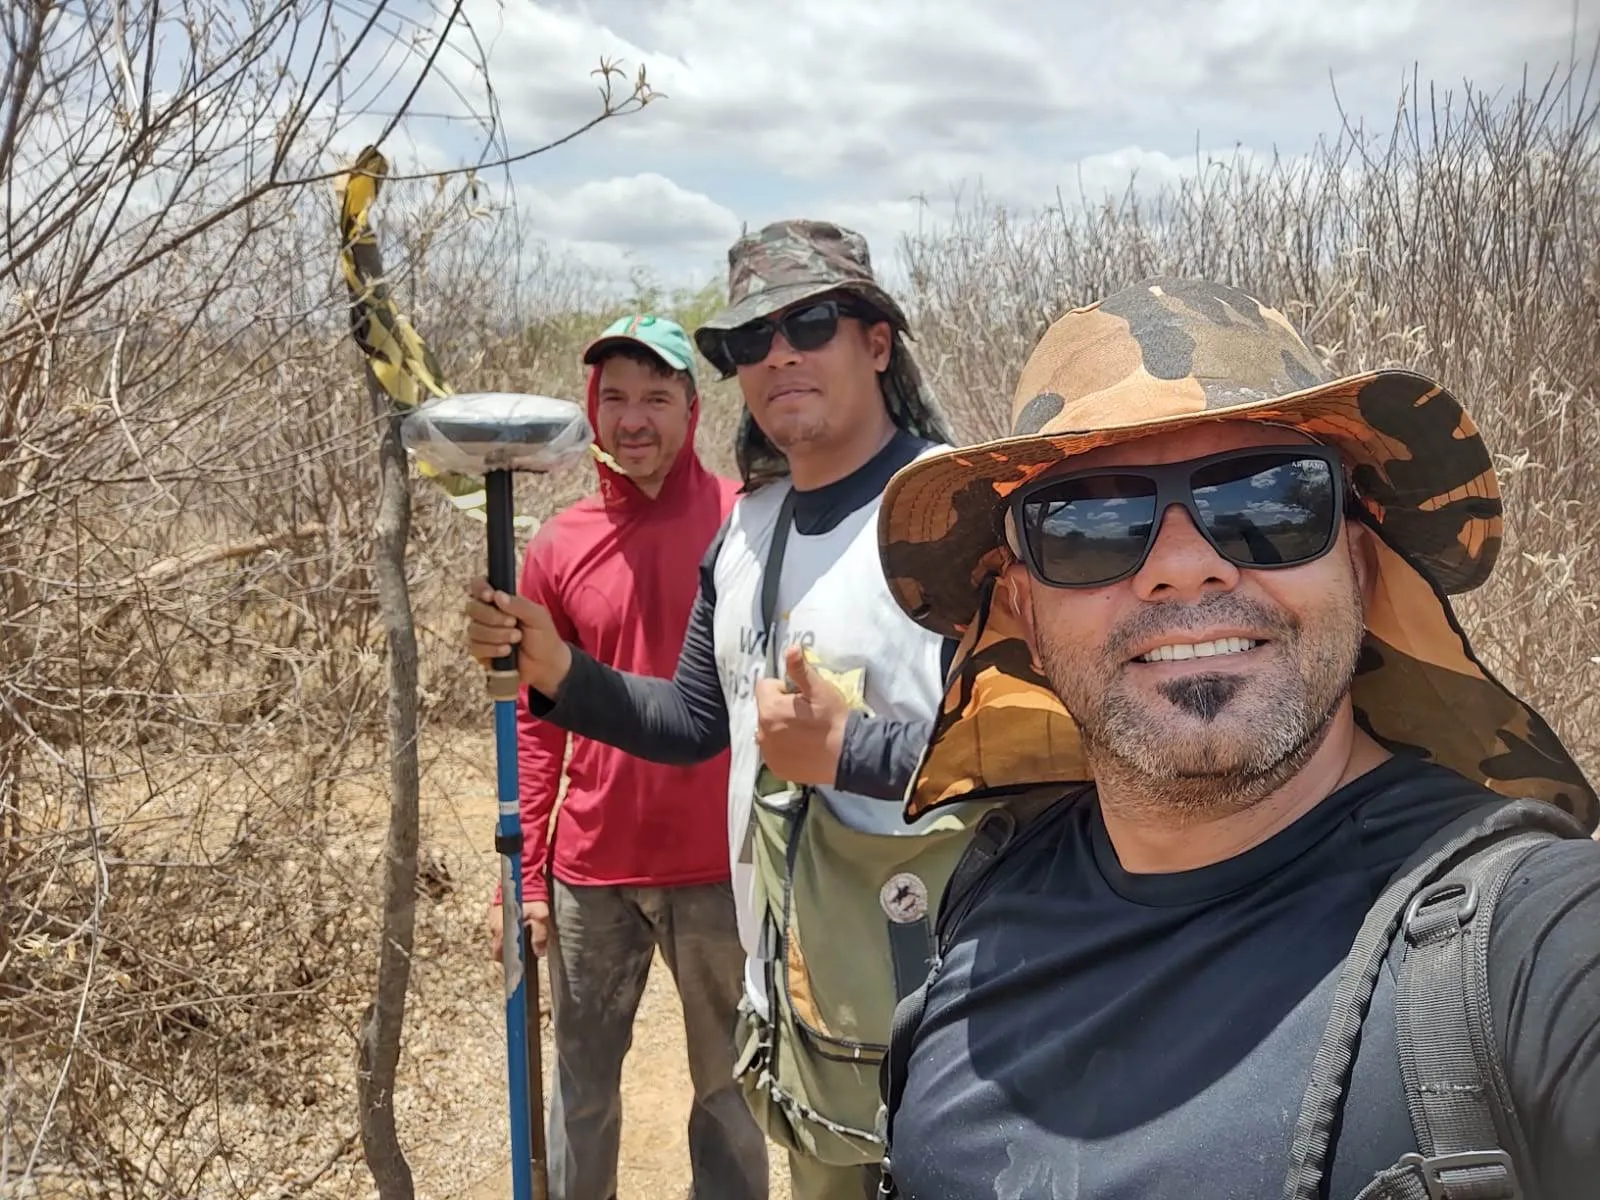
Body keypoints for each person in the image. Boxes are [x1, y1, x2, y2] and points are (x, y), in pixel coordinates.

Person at [870, 277, 1600, 1199]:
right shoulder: (989, 889)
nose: (1182, 565)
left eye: (1268, 500)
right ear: (1021, 607)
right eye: (1093, 524)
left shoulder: (1527, 944)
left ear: (1361, 567)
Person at [465, 219, 979, 1200]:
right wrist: (561, 669)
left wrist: (850, 751)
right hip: (796, 999)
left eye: (811, 324)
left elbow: (1043, 747)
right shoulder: (746, 530)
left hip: (944, 1003)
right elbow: (696, 721)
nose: (779, 353)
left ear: (876, 342)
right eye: (751, 340)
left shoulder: (951, 507)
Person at [486, 313, 767, 1200]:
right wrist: (526, 877)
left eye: (656, 395)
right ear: (590, 410)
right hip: (592, 872)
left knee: (731, 1094)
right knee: (582, 1093)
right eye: (614, 398)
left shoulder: (748, 523)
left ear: (692, 405)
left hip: (723, 865)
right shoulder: (558, 545)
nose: (634, 418)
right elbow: (536, 724)